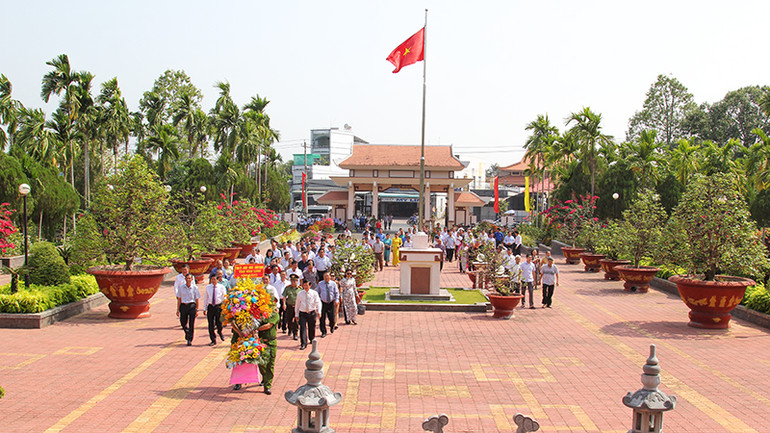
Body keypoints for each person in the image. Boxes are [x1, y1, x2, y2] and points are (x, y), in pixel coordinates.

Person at [295, 279, 322, 350]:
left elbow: (318, 302)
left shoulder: (314, 293)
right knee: (302, 328)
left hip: (311, 312)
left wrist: (319, 311)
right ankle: (303, 343)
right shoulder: (300, 294)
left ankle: (311, 338)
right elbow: (297, 304)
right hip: (302, 313)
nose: (306, 287)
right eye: (304, 285)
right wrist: (296, 314)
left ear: (310, 285)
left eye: (307, 285)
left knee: (312, 327)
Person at [176, 273, 200, 346]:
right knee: (183, 322)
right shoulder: (181, 287)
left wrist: (197, 309)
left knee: (191, 323)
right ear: (185, 279)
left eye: (190, 278)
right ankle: (187, 332)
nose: (188, 280)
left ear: (192, 279)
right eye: (187, 278)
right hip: (183, 305)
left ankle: (190, 339)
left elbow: (197, 299)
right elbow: (179, 299)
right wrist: (177, 310)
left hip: (191, 306)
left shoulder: (195, 288)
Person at [203, 274, 227, 346]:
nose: (213, 281)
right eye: (212, 279)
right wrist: (204, 308)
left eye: (214, 279)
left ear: (217, 280)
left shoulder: (221, 287)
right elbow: (206, 298)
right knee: (210, 324)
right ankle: (213, 339)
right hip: (211, 306)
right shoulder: (208, 287)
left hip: (218, 306)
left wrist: (225, 307)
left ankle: (220, 332)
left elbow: (224, 297)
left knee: (219, 322)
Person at [317, 272, 339, 337]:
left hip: (331, 302)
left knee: (332, 317)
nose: (326, 277)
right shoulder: (320, 284)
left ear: (329, 277)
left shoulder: (333, 283)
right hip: (323, 303)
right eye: (325, 276)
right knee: (322, 318)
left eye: (327, 276)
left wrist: (337, 300)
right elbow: (317, 293)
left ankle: (332, 326)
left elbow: (336, 292)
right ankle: (323, 331)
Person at [282, 274, 301, 340]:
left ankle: (295, 334)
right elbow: (284, 296)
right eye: (292, 281)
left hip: (297, 307)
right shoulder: (287, 288)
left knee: (296, 320)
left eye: (294, 281)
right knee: (289, 320)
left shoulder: (300, 289)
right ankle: (290, 329)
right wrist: (284, 304)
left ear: (297, 281)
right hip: (289, 306)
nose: (293, 282)